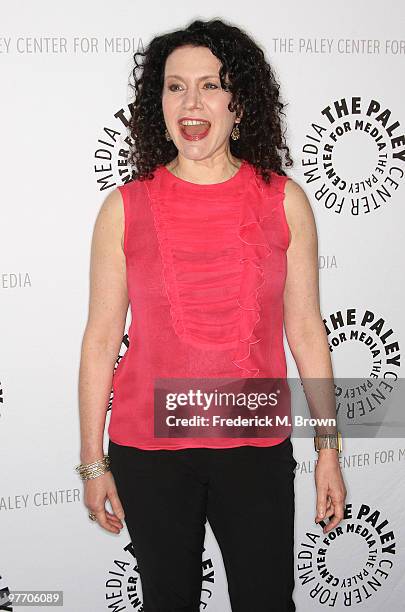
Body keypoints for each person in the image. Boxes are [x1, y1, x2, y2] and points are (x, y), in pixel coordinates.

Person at [76, 18, 346, 612]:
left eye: (211, 85)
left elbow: (305, 331)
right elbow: (101, 341)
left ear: (240, 102)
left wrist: (329, 447)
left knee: (267, 601)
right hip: (148, 453)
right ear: (159, 102)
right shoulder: (124, 207)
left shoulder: (284, 198)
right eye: (175, 87)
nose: (191, 102)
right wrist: (92, 462)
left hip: (254, 445)